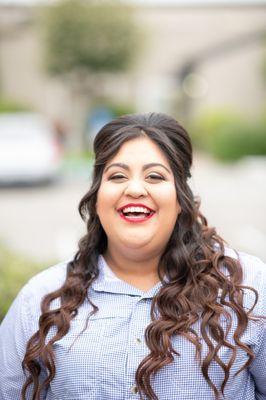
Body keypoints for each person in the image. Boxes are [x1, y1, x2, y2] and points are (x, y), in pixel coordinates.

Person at [0, 112, 265, 400]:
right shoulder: (40, 300)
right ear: (97, 197)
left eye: (155, 176)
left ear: (180, 199)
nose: (135, 189)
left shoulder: (248, 287)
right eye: (117, 176)